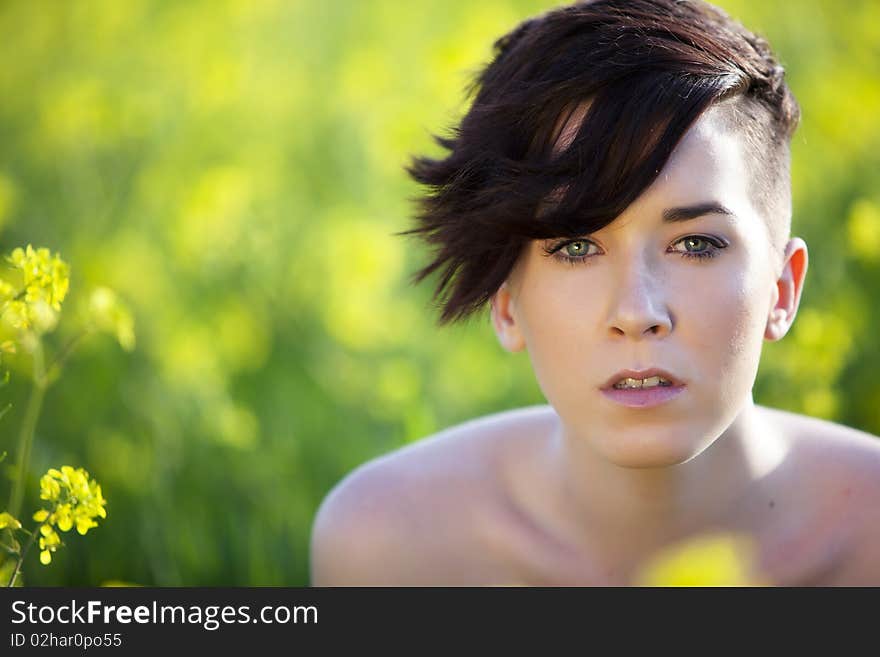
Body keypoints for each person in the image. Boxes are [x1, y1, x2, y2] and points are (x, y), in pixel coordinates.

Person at [309, 0, 880, 585]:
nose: (637, 313)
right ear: (505, 303)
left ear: (782, 288)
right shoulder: (391, 547)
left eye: (696, 245)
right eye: (576, 247)